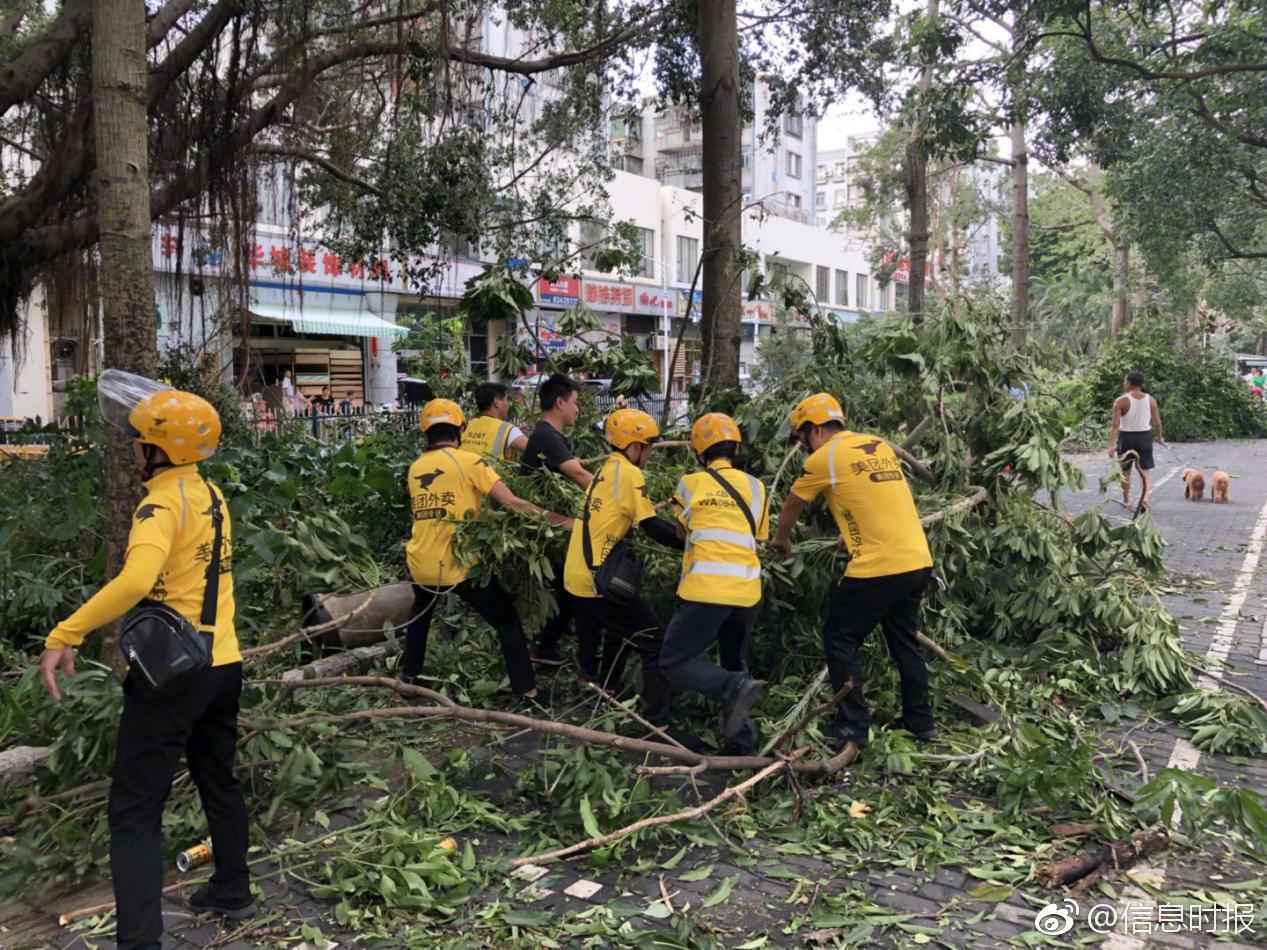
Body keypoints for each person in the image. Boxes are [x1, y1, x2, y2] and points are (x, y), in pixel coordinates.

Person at [37, 370, 253, 948]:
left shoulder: (160, 506)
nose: (133, 445)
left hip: (172, 678)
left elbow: (135, 580)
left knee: (133, 811)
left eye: (140, 439)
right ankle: (234, 888)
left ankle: (139, 942)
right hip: (223, 663)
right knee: (218, 779)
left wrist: (67, 631)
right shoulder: (211, 494)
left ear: (159, 449)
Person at [772, 393, 937, 750]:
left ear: (815, 430)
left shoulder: (824, 458)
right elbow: (874, 499)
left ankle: (852, 725)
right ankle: (921, 722)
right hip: (917, 559)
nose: (802, 446)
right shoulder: (877, 446)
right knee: (904, 640)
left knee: (839, 636)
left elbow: (793, 503)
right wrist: (848, 538)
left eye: (802, 437)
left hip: (878, 567)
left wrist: (782, 540)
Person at [402, 399, 571, 701]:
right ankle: (528, 691)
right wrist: (562, 521)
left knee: (420, 617)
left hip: (420, 563)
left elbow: (448, 509)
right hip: (459, 564)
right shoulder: (469, 462)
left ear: (425, 433)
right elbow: (514, 503)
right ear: (461, 428)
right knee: (506, 620)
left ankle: (407, 678)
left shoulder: (415, 467)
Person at [562, 408, 687, 737]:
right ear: (635, 446)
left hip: (579, 574)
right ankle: (659, 721)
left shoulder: (607, 469)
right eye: (647, 446)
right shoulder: (630, 475)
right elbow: (652, 527)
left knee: (619, 631)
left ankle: (607, 690)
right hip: (596, 579)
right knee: (651, 640)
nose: (648, 453)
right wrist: (693, 546)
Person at [660, 413, 768, 754]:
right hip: (748, 591)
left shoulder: (690, 483)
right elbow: (758, 536)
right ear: (736, 447)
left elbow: (681, 531)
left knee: (673, 661)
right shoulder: (756, 487)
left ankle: (732, 687)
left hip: (706, 588)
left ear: (699, 451)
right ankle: (741, 747)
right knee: (734, 660)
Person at [520, 374, 593, 667]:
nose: (578, 409)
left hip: (553, 523)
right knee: (571, 588)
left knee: (567, 588)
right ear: (560, 402)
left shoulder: (548, 435)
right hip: (547, 525)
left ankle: (547, 644)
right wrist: (615, 499)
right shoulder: (546, 436)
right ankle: (546, 646)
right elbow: (579, 476)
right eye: (575, 403)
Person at [1108, 371, 1165, 511]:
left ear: (1129, 383)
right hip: (1144, 437)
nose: (1123, 384)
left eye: (1124, 381)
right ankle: (1144, 498)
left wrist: (1110, 445)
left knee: (1126, 471)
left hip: (1126, 438)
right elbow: (1157, 422)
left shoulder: (1120, 401)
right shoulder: (1150, 400)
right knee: (1145, 471)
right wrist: (1159, 437)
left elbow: (1115, 425)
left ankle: (1126, 500)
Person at [461, 382, 529, 461]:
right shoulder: (507, 430)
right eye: (506, 400)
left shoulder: (466, 426)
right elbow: (536, 451)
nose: (508, 404)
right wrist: (513, 433)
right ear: (497, 402)